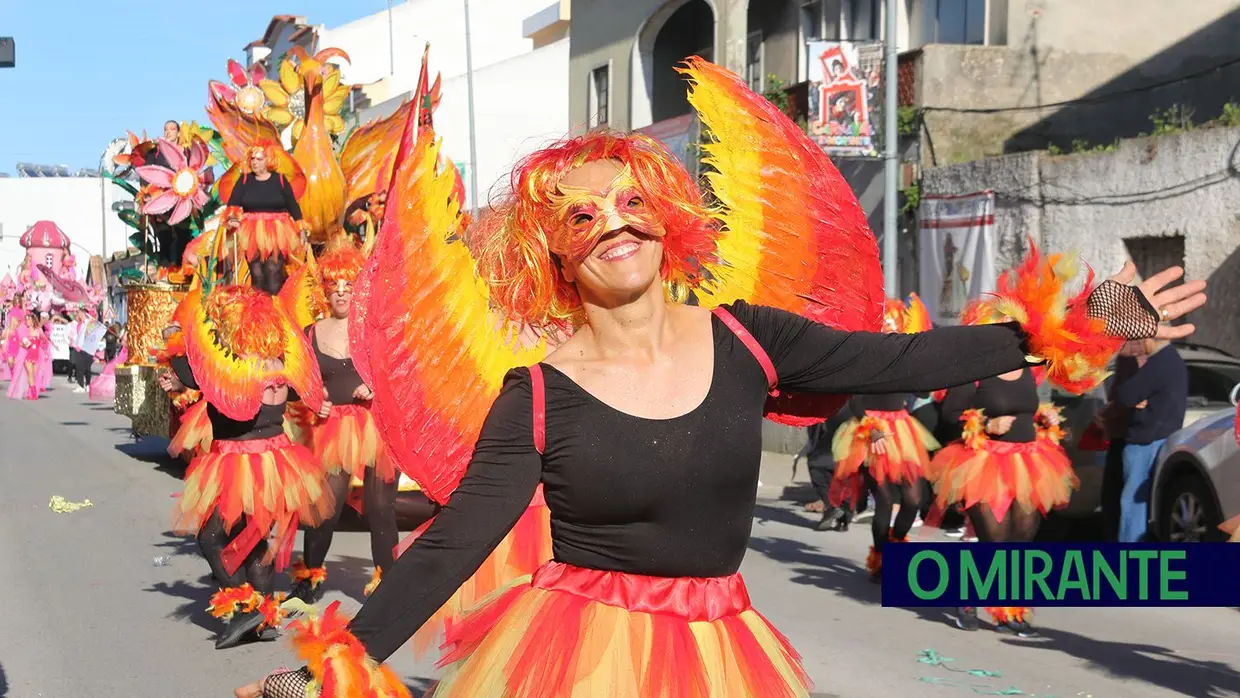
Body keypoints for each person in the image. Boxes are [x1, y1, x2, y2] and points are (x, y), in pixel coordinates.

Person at [238, 146, 1202, 698]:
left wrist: (1057, 327)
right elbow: (449, 546)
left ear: (665, 220)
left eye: (629, 203)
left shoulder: (748, 338)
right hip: (577, 659)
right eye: (580, 219)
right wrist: (338, 662)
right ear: (555, 258)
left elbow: (899, 361)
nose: (612, 224)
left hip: (721, 650)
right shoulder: (535, 393)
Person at [159, 284, 334, 649]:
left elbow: (196, 373)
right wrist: (178, 380)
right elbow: (306, 391)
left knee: (211, 539)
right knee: (256, 546)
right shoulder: (279, 361)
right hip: (276, 462)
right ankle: (264, 617)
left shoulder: (234, 365)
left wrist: (174, 340)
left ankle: (243, 607)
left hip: (237, 464)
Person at [288, 238, 438, 605]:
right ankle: (310, 575)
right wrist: (314, 399)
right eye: (334, 287)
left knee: (381, 506)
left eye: (348, 286)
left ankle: (388, 580)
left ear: (359, 290)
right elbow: (299, 381)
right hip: (334, 428)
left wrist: (374, 385)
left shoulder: (374, 329)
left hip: (377, 425)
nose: (341, 294)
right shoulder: (311, 333)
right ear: (325, 291)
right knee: (327, 506)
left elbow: (404, 371)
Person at [830, 301, 940, 582]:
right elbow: (853, 401)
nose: (889, 332)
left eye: (894, 327)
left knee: (914, 498)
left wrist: (922, 364)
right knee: (883, 500)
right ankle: (881, 560)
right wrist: (873, 431)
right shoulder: (865, 360)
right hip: (872, 434)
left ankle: (897, 544)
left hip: (903, 431)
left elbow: (924, 389)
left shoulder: (904, 359)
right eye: (885, 326)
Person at [1112, 335, 1187, 542]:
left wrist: (1135, 397)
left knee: (1133, 505)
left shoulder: (1160, 362)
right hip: (1160, 437)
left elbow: (1125, 395)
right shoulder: (1172, 360)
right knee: (1144, 504)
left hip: (1145, 441)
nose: (1138, 343)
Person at [225, 144, 307, 295]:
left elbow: (292, 205)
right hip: (252, 232)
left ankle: (276, 309)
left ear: (268, 160)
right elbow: (233, 204)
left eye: (259, 159)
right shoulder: (244, 180)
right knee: (257, 275)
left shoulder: (280, 180)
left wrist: (301, 229)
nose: (254, 162)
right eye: (252, 159)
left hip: (277, 231)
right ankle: (260, 312)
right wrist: (232, 219)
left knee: (273, 271)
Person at [151, 120, 195, 269]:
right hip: (163, 200)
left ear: (178, 132)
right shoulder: (157, 152)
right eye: (165, 129)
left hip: (182, 200)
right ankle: (164, 270)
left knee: (182, 237)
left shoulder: (186, 152)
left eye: (172, 129)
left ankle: (180, 270)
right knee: (164, 238)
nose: (168, 132)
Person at [6, 312, 42, 400]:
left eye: (29, 320)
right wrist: (24, 344)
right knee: (30, 373)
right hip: (27, 355)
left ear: (33, 321)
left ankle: (30, 392)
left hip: (36, 355)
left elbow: (43, 341)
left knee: (33, 374)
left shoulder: (38, 330)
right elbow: (20, 343)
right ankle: (33, 394)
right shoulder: (24, 330)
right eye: (27, 320)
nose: (28, 322)